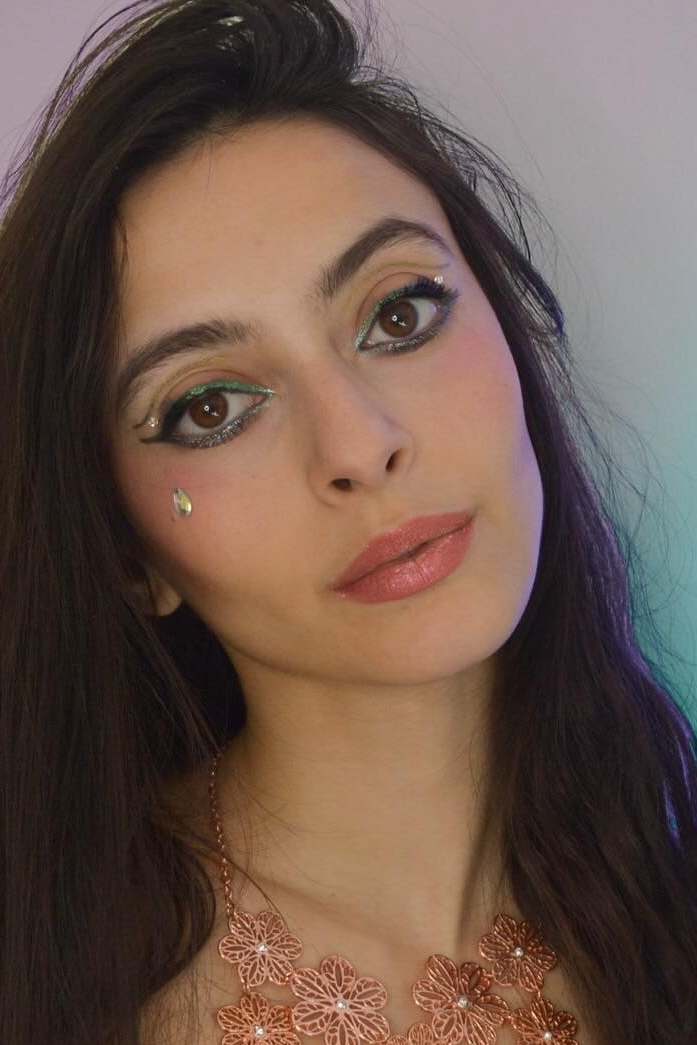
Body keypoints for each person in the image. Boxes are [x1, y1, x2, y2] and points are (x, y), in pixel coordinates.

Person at [0, 1, 695, 1043]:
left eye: (399, 313)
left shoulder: (666, 889)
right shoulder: (56, 982)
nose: (359, 446)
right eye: (210, 407)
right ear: (126, 553)